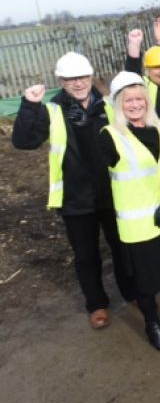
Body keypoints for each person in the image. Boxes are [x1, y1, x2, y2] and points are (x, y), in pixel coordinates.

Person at [12, 52, 134, 329]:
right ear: (61, 81)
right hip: (76, 198)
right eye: (70, 79)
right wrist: (29, 105)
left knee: (123, 247)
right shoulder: (52, 110)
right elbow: (23, 141)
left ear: (91, 76)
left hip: (113, 192)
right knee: (86, 256)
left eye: (82, 77)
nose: (78, 83)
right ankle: (97, 305)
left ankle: (132, 292)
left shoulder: (108, 105)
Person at [99, 72, 160, 352]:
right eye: (128, 100)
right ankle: (152, 324)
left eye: (139, 98)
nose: (135, 104)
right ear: (118, 104)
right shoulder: (109, 137)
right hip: (139, 224)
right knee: (146, 279)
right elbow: (99, 179)